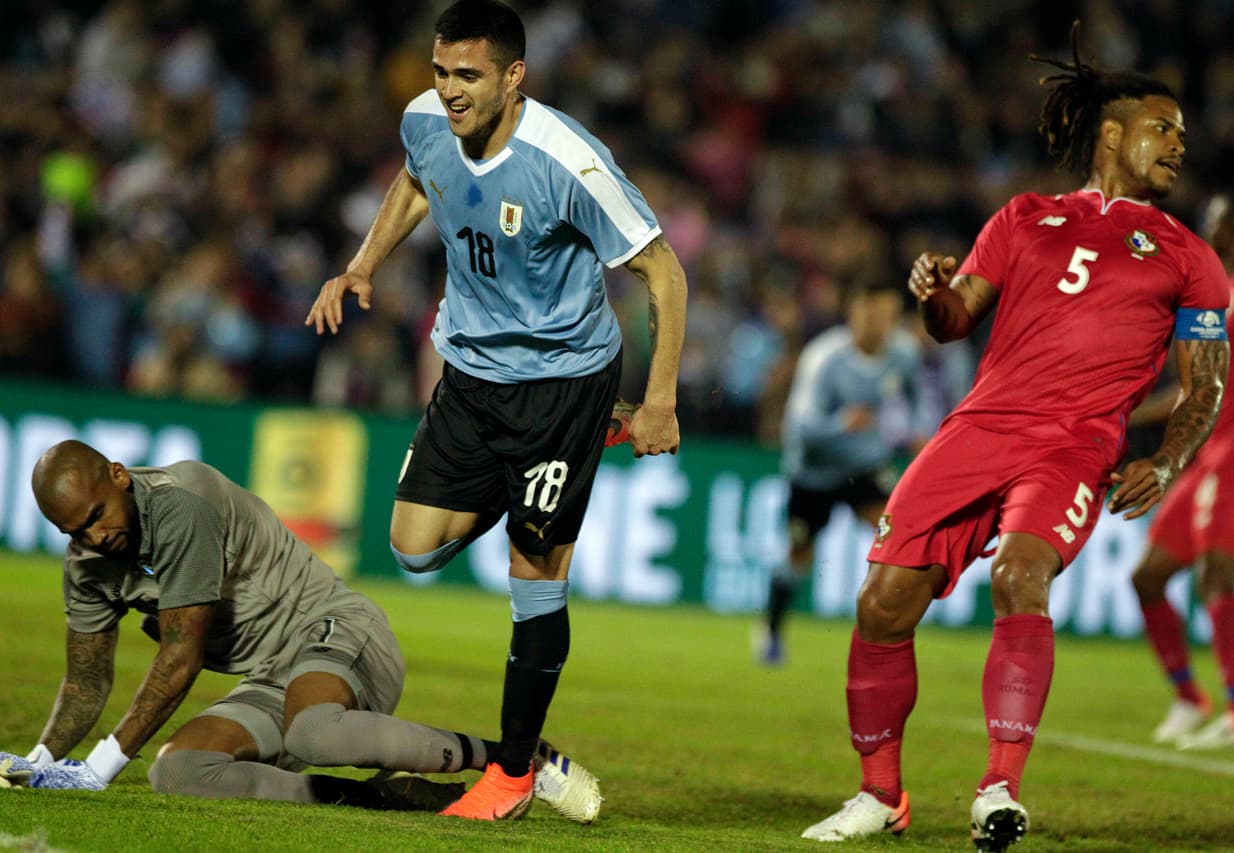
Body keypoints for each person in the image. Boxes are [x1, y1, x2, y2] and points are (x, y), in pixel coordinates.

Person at [801, 25, 1230, 851]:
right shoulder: (1024, 217)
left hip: (1073, 443)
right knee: (882, 602)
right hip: (978, 427)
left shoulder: (1189, 258)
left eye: (1183, 132)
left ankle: (998, 788)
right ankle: (879, 794)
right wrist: (932, 296)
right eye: (1164, 127)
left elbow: (1207, 382)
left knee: (1021, 572)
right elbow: (956, 318)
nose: (1181, 143)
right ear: (1112, 133)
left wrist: (1167, 459)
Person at [305, 0, 685, 821]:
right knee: (411, 548)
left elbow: (664, 271)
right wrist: (362, 262)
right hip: (472, 373)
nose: (448, 92)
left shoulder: (569, 162)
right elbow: (417, 178)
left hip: (562, 383)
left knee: (535, 569)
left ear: (515, 76)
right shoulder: (425, 121)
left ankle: (514, 771)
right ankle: (540, 486)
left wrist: (659, 401)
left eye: (467, 75)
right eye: (440, 72)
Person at [0, 440, 600, 824]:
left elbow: (181, 656)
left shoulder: (183, 503)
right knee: (179, 771)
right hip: (274, 678)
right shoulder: (87, 564)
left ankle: (515, 760)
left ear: (118, 475)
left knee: (313, 732)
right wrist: (39, 762)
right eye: (74, 531)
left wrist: (97, 768)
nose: (94, 538)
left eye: (97, 516)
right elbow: (85, 680)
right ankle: (393, 799)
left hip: (339, 631)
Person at [1129, 187, 1234, 750]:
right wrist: (1127, 413)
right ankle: (1190, 699)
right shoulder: (1215, 299)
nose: (1206, 227)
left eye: (1214, 218)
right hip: (1209, 454)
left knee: (1216, 577)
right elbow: (1198, 389)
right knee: (1147, 579)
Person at [758, 279, 923, 664]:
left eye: (885, 316)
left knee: (894, 537)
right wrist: (840, 424)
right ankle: (771, 630)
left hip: (865, 465)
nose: (876, 324)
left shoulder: (903, 353)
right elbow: (800, 425)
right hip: (813, 472)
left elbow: (916, 396)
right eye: (869, 314)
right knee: (799, 552)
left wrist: (917, 429)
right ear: (853, 314)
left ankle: (886, 636)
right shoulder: (825, 358)